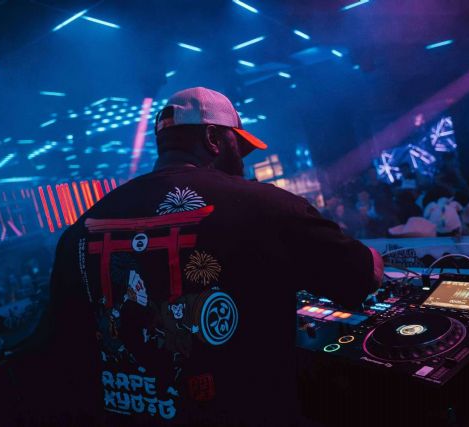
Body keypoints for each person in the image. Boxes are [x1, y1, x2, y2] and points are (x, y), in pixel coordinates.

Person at [23, 87, 382, 426]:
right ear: (213, 139)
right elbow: (362, 276)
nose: (242, 164)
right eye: (238, 147)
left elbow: (60, 347)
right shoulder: (269, 207)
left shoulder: (82, 229)